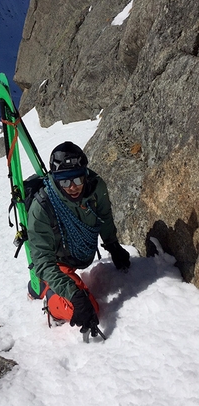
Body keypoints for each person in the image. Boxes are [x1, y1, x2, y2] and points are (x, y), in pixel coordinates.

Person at [27, 141, 130, 336]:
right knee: (86, 308)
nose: (73, 187)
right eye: (65, 181)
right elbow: (42, 260)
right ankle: (48, 295)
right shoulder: (41, 208)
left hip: (82, 254)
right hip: (57, 262)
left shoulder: (95, 187)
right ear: (56, 180)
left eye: (77, 179)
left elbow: (105, 217)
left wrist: (113, 245)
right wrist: (73, 294)